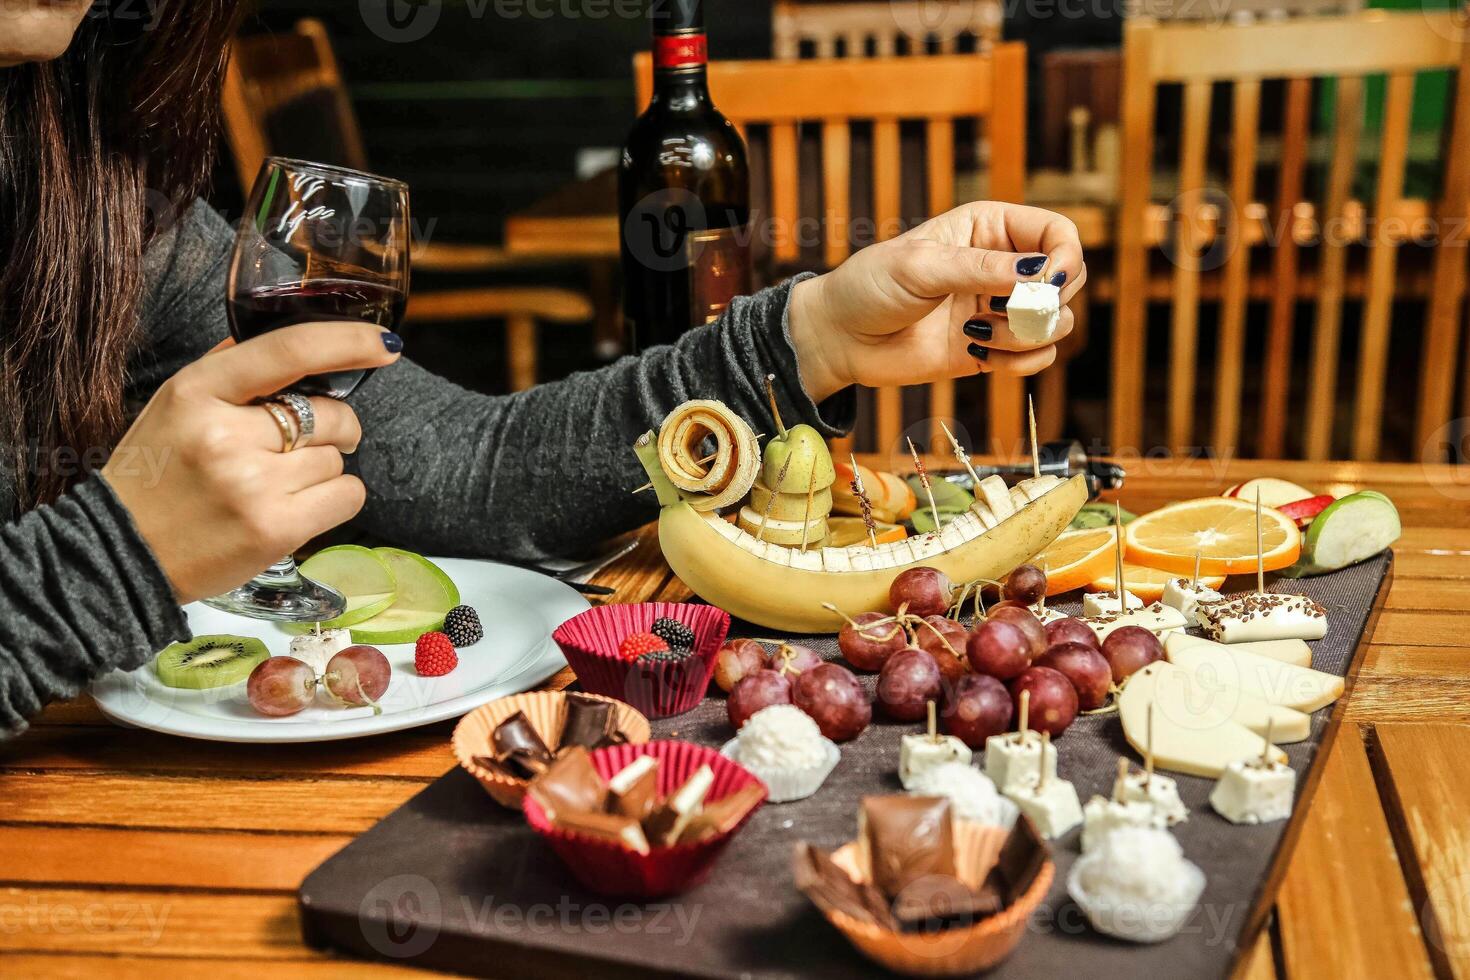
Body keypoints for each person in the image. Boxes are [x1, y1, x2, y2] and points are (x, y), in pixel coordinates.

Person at [0, 1, 1086, 733]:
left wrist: (805, 339)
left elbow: (472, 467)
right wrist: (110, 558)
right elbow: (90, 572)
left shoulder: (80, 190)